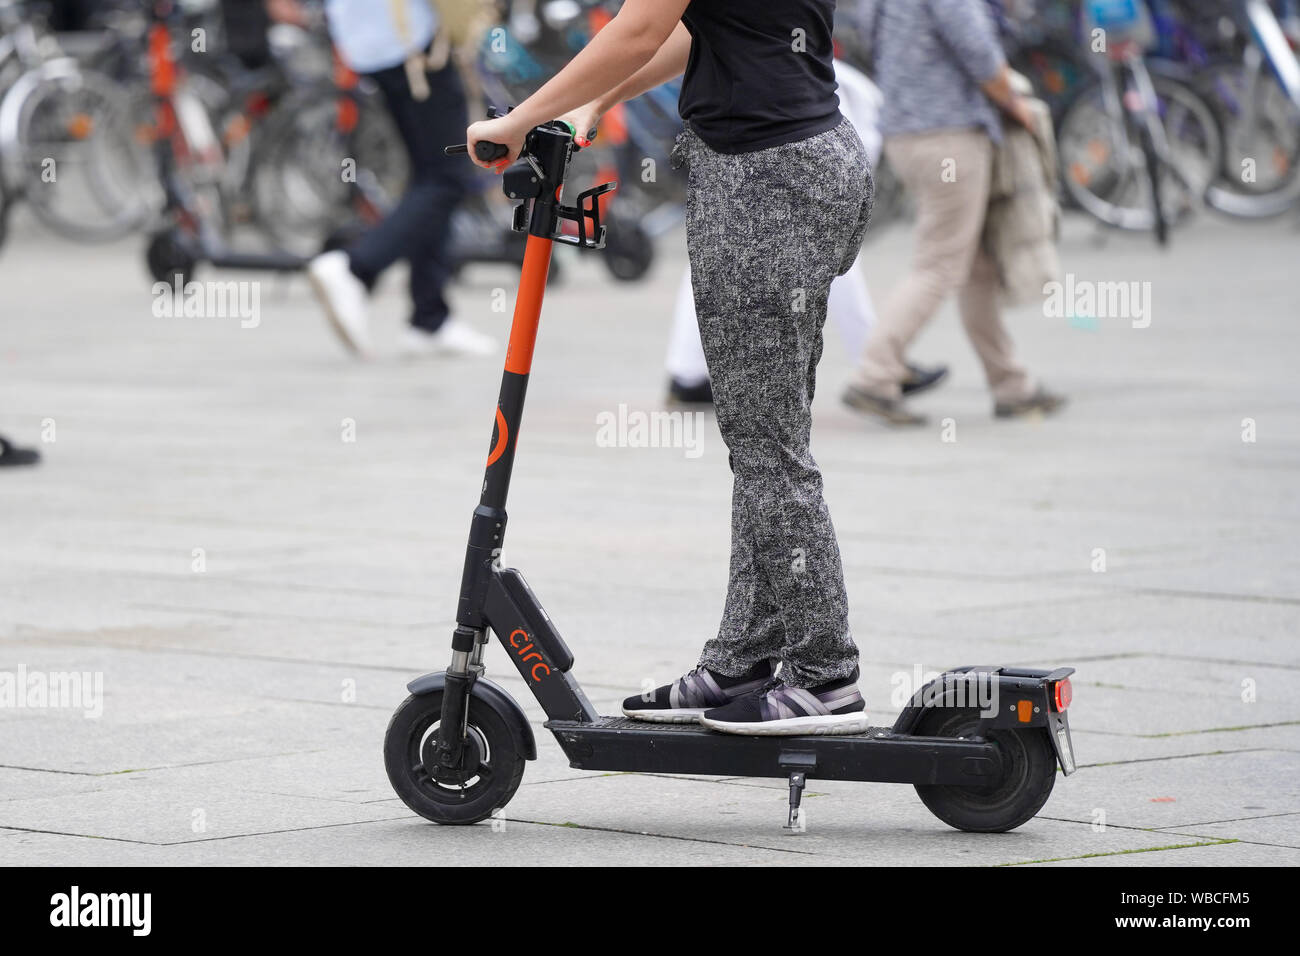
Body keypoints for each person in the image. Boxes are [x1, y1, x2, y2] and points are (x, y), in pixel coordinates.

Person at [464, 0, 873, 735]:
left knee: (767, 449)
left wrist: (518, 118)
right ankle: (742, 659)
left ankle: (826, 673)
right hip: (810, 163)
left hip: (765, 185)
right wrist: (595, 97)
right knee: (764, 439)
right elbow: (694, 30)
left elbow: (641, 28)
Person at [665, 59, 948, 406]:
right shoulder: (833, 73)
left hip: (742, 122)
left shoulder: (838, 74)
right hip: (754, 129)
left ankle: (688, 372)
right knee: (818, 254)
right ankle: (875, 366)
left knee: (714, 251)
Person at [841, 0, 1066, 425]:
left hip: (908, 133)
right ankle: (876, 373)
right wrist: (1014, 102)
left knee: (977, 265)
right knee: (939, 265)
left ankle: (1012, 384)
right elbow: (977, 50)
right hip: (949, 135)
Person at [307, 0, 494, 359]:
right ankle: (356, 268)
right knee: (447, 177)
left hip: (370, 38)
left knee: (429, 174)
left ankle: (430, 318)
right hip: (411, 39)